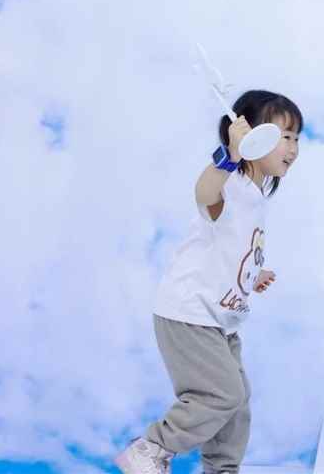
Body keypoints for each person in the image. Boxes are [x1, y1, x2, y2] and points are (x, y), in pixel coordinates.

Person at [115, 90, 303, 473]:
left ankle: (222, 469)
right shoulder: (230, 183)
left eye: (296, 138)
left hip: (220, 321)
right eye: (284, 136)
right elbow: (204, 193)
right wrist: (230, 156)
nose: (293, 148)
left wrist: (253, 276)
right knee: (221, 393)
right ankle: (152, 447)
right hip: (189, 314)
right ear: (252, 137)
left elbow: (229, 250)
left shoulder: (255, 196)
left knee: (237, 402)